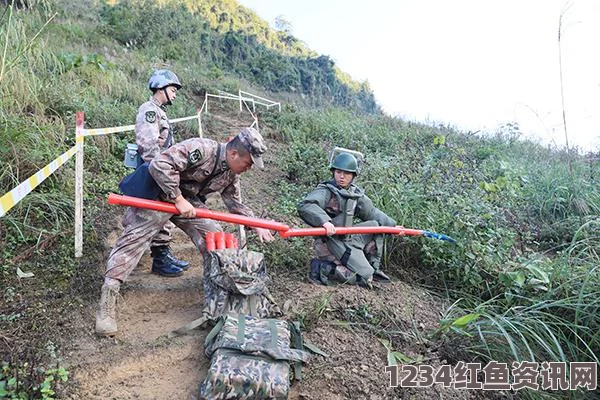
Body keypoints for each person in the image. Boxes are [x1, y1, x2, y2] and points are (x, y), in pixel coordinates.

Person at [96, 127, 275, 336]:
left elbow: (235, 204)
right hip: (156, 195)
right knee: (132, 243)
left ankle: (217, 296)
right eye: (248, 163)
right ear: (234, 153)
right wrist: (177, 199)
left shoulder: (230, 174)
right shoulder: (201, 149)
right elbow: (159, 164)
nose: (249, 168)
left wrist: (257, 223)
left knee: (214, 234)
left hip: (188, 203)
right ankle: (107, 303)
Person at [297, 152, 398, 288]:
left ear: (353, 176)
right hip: (330, 241)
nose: (342, 177)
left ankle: (373, 268)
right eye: (338, 172)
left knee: (376, 226)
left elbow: (372, 212)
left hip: (348, 238)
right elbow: (306, 205)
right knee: (363, 278)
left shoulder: (355, 194)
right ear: (333, 172)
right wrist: (325, 222)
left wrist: (394, 227)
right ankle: (322, 268)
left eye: (347, 173)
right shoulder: (327, 191)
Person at [135, 69, 189, 278]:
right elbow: (149, 146)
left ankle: (163, 255)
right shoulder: (149, 110)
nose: (174, 94)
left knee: (163, 212)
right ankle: (159, 259)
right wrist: (160, 172)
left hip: (160, 169)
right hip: (154, 170)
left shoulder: (159, 111)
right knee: (154, 213)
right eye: (172, 90)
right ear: (161, 88)